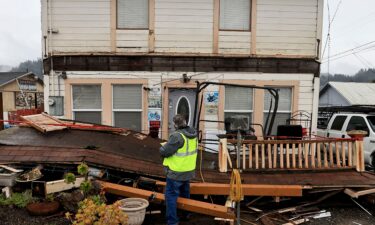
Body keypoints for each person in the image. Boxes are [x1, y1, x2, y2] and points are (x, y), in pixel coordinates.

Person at [160, 114, 198, 225]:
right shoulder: (193, 134)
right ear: (185, 122)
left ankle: (172, 222)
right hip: (188, 170)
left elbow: (164, 152)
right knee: (185, 194)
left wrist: (163, 146)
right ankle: (185, 215)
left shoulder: (177, 136)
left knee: (171, 197)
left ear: (175, 124)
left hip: (176, 173)